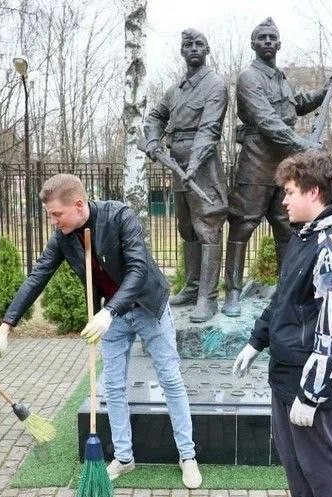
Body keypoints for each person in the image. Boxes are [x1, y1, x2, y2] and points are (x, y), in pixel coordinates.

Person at [0, 173, 202, 489]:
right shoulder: (63, 237)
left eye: (57, 214)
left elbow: (138, 270)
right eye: (50, 216)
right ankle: (124, 458)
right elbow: (37, 277)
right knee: (112, 385)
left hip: (147, 308)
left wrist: (109, 312)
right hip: (109, 316)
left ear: (79, 204)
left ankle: (188, 456)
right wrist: (5, 327)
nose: (54, 222)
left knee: (170, 378)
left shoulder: (119, 216)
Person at [232, 150, 332, 497]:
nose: (284, 201)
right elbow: (283, 301)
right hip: (287, 370)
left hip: (311, 377)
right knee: (293, 454)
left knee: (322, 457)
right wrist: (256, 342)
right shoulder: (306, 237)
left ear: (314, 191)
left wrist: (313, 393)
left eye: (289, 192)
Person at [224, 17, 332, 317]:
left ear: (279, 43)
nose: (267, 42)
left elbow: (296, 105)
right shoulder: (249, 78)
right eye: (261, 37)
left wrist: (325, 91)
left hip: (285, 164)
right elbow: (266, 121)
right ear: (253, 44)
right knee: (243, 226)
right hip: (257, 162)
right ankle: (233, 293)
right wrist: (304, 145)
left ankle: (285, 289)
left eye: (272, 37)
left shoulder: (280, 78)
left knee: (286, 229)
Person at [144, 28, 228, 323]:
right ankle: (192, 289)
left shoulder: (215, 84)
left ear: (207, 50)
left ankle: (208, 297)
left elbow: (210, 129)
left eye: (199, 44)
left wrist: (193, 165)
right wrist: (153, 141)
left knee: (208, 229)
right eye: (188, 45)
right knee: (187, 229)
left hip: (202, 166)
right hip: (177, 164)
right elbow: (156, 116)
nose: (193, 48)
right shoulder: (175, 89)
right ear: (182, 51)